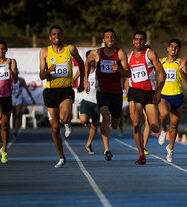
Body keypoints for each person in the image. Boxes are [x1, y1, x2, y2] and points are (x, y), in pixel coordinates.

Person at [39, 25, 84, 168]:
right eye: (54, 34)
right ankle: (62, 157)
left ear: (62, 36)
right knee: (54, 128)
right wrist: (49, 70)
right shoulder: (45, 52)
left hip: (66, 90)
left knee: (64, 117)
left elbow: (82, 63)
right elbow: (41, 75)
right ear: (50, 37)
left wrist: (82, 82)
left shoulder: (70, 49)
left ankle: (67, 123)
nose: (56, 36)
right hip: (51, 92)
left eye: (59, 33)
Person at [84, 28, 131, 161]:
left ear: (115, 39)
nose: (110, 39)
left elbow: (129, 73)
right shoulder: (96, 52)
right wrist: (86, 80)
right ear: (103, 40)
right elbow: (87, 63)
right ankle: (107, 149)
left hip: (116, 93)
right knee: (105, 116)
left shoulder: (120, 53)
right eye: (107, 37)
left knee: (115, 124)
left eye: (112, 37)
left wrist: (119, 70)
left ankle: (112, 122)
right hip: (102, 92)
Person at [126, 30, 166, 165]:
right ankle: (141, 154)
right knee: (136, 124)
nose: (138, 42)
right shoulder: (129, 56)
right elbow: (126, 76)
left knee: (155, 127)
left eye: (141, 39)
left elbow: (162, 74)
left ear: (145, 41)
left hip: (149, 94)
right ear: (133, 41)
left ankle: (155, 128)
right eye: (136, 39)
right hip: (134, 93)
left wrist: (158, 91)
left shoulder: (150, 54)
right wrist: (128, 90)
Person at [158, 38, 187, 162]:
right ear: (167, 48)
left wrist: (182, 69)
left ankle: (170, 149)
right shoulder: (162, 61)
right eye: (171, 46)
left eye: (176, 47)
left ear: (179, 50)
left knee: (174, 125)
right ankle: (163, 130)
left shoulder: (181, 62)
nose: (173, 49)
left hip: (177, 96)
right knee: (164, 113)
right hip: (164, 96)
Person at [74, 50, 99, 154]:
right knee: (83, 120)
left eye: (94, 56)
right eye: (90, 57)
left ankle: (88, 144)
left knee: (95, 125)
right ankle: (86, 122)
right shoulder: (82, 70)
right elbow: (73, 80)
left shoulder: (99, 70)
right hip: (85, 99)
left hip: (97, 100)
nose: (92, 59)